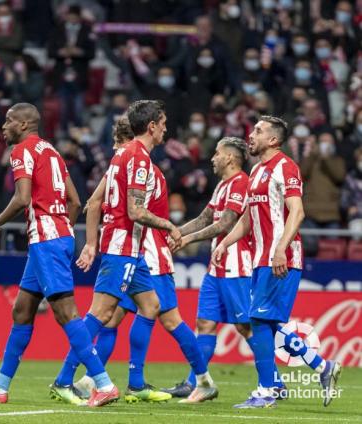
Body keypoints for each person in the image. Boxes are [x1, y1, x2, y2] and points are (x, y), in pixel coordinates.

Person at [0, 103, 119, 407]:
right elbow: (75, 200)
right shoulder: (53, 153)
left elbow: (22, 198)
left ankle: (103, 383)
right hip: (52, 238)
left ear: (23, 125)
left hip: (46, 240)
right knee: (21, 310)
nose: (3, 127)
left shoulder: (22, 151)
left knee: (65, 312)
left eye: (8, 121)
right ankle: (1, 386)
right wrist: (63, 232)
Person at [62, 110, 217, 405]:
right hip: (135, 249)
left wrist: (93, 243)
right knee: (113, 316)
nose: (115, 150)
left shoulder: (134, 164)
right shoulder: (134, 162)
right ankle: (95, 380)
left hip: (148, 251)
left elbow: (98, 203)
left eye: (118, 142)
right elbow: (98, 204)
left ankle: (201, 380)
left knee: (162, 318)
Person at [212, 116, 341, 408]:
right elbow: (248, 218)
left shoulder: (286, 167)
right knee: (267, 321)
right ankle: (322, 367)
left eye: (258, 131)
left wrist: (281, 248)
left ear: (273, 140)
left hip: (280, 257)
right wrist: (225, 242)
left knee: (258, 319)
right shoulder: (257, 171)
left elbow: (297, 212)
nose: (251, 134)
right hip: (261, 258)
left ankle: (267, 389)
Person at [163, 137, 282, 398]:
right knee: (204, 323)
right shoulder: (223, 185)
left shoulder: (241, 183)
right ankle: (197, 383)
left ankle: (274, 382)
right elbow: (206, 218)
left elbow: (226, 224)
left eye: (217, 153)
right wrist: (173, 232)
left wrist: (186, 240)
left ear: (229, 158)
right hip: (217, 268)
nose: (212, 158)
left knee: (246, 326)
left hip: (237, 267)